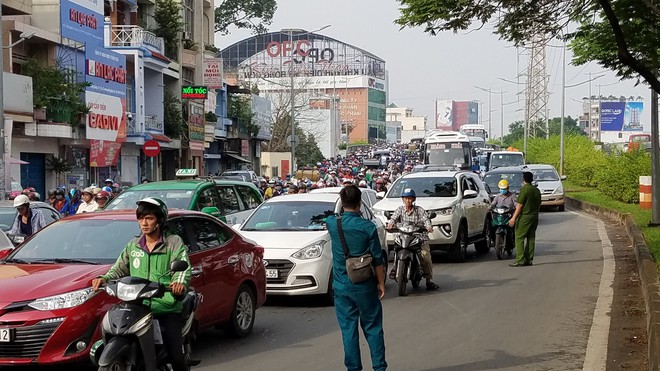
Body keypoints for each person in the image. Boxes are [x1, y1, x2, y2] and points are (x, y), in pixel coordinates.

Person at [92, 198, 191, 371]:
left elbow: (182, 268)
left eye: (149, 218)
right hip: (137, 307)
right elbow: (118, 269)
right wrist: (104, 278)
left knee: (176, 357)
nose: (144, 223)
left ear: (159, 220)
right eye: (140, 219)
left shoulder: (173, 243)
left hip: (165, 307)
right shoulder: (133, 246)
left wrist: (178, 284)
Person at [325, 185, 387, 371]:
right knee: (373, 328)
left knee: (348, 331)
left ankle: (353, 369)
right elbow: (377, 259)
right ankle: (379, 367)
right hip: (365, 286)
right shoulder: (368, 227)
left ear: (342, 204)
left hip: (342, 287)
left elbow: (328, 218)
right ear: (360, 203)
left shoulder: (332, 223)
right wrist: (381, 284)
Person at [387, 188, 439, 291]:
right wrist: (390, 224)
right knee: (396, 249)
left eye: (409, 198)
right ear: (402, 199)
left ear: (413, 199)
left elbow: (426, 219)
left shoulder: (419, 210)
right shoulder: (400, 210)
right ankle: (394, 268)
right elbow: (393, 218)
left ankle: (428, 281)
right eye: (406, 198)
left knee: (425, 257)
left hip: (419, 238)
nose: (407, 201)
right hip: (403, 238)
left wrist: (428, 227)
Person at [508, 171, 542, 267]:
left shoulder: (525, 190)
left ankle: (520, 260)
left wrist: (513, 218)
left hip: (525, 216)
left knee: (519, 237)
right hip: (534, 216)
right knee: (531, 238)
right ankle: (529, 259)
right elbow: (539, 203)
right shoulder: (536, 190)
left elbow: (519, 205)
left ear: (523, 179)